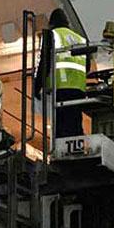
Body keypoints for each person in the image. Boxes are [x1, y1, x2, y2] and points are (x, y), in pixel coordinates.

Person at [46, 8, 87, 138]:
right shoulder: (80, 39)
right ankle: (77, 146)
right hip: (79, 87)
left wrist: (38, 86)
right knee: (75, 120)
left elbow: (44, 62)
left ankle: (62, 150)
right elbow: (88, 64)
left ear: (51, 23)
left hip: (60, 85)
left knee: (61, 122)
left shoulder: (52, 34)